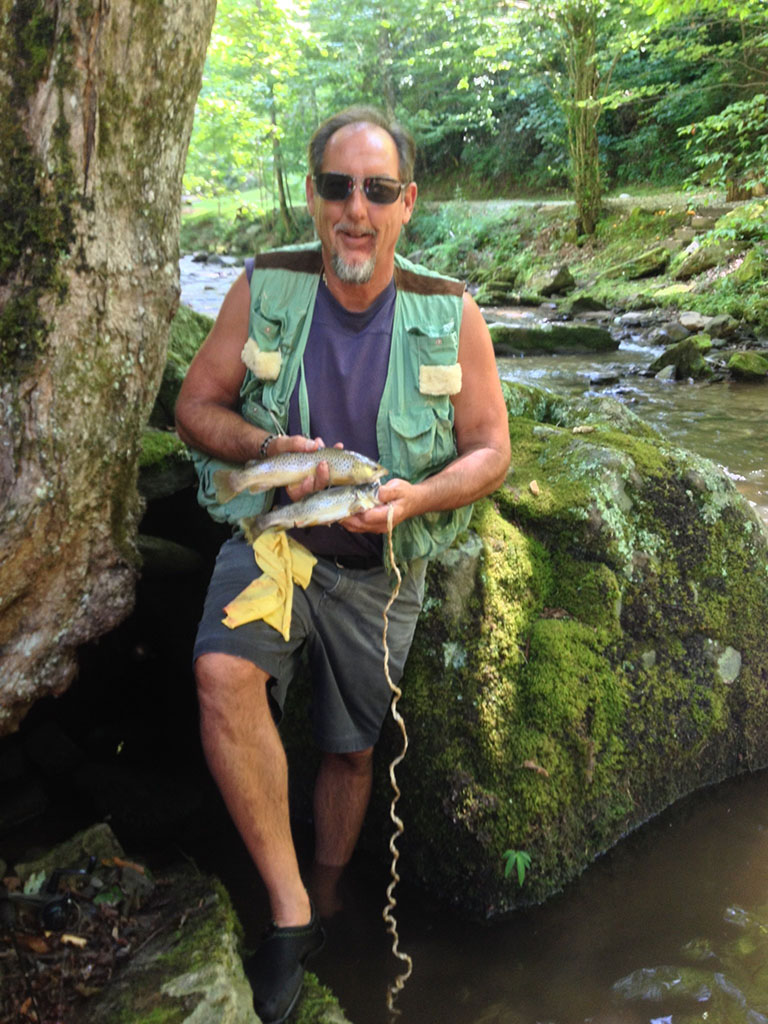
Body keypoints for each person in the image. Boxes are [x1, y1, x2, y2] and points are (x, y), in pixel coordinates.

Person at [175, 105, 511, 1023]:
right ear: (314, 196)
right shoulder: (265, 286)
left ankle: (327, 893)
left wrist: (415, 498)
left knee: (351, 747)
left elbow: (490, 450)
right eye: (335, 187)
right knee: (219, 672)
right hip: (275, 543)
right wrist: (259, 445)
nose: (353, 210)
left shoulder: (452, 310)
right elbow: (194, 406)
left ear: (407, 203)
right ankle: (289, 915)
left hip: (381, 567)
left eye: (374, 190)